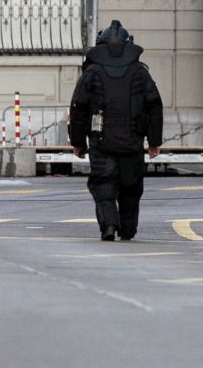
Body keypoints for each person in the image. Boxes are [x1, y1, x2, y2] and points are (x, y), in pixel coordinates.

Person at [68, 20, 163, 241]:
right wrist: (154, 141)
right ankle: (128, 229)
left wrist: (78, 142)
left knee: (104, 184)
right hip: (132, 141)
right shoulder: (140, 72)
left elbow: (78, 107)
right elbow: (154, 105)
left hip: (101, 141)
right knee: (131, 186)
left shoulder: (92, 72)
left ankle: (109, 225)